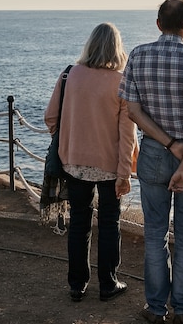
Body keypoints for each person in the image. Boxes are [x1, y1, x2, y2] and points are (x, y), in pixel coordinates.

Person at [119, 0, 183, 323]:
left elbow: (133, 111)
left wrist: (168, 143)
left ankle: (156, 308)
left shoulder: (137, 56)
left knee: (154, 234)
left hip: (152, 156)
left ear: (158, 23)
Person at [44, 22, 137, 303]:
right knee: (109, 223)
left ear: (90, 45)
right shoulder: (122, 82)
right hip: (110, 167)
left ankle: (77, 285)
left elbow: (51, 118)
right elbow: (127, 135)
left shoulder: (69, 75)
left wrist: (71, 141)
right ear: (117, 48)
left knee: (80, 223)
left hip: (73, 164)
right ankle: (108, 284)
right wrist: (125, 174)